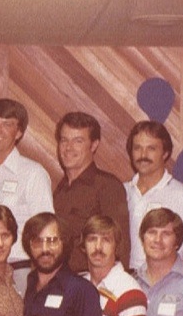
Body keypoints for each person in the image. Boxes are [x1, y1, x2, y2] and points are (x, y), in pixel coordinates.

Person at [0, 98, 53, 284]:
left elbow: (46, 232)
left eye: (7, 124)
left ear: (19, 132)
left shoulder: (33, 174)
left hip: (19, 271)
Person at [20, 212, 103, 316]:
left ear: (64, 244)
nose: (45, 249)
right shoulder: (30, 285)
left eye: (52, 241)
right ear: (29, 246)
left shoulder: (81, 289)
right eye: (37, 241)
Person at [125, 120, 183, 274]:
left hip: (165, 283)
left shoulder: (180, 195)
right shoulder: (123, 192)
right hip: (128, 283)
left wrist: (181, 283)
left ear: (165, 153)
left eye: (151, 148)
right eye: (137, 148)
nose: (143, 155)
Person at [53, 111, 130, 274]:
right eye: (64, 140)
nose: (68, 148)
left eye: (78, 141)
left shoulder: (108, 186)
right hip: (59, 279)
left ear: (94, 145)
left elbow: (120, 245)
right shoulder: (60, 189)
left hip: (91, 281)